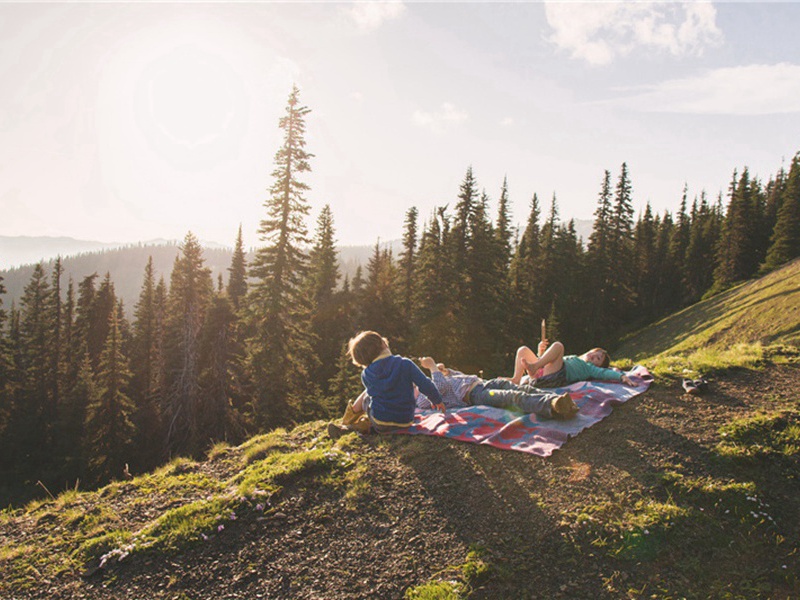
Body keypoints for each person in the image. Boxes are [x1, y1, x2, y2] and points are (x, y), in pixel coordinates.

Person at [328, 331, 445, 438]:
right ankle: (360, 426)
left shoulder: (366, 373)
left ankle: (350, 422)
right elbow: (425, 384)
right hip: (405, 420)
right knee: (372, 397)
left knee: (367, 397)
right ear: (383, 344)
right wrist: (437, 400)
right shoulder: (405, 363)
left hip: (381, 423)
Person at [416, 356, 579, 419]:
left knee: (522, 389)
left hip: (482, 383)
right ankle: (552, 406)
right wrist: (432, 367)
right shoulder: (420, 399)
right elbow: (440, 389)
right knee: (512, 397)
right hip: (475, 395)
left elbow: (459, 377)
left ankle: (558, 400)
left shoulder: (429, 380)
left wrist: (446, 371)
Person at [509, 339, 637, 388]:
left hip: (555, 378)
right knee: (523, 350)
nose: (593, 356)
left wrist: (622, 377)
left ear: (597, 365)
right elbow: (548, 365)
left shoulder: (589, 368)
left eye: (598, 359)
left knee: (558, 346)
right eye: (595, 352)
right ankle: (516, 379)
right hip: (543, 374)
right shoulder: (576, 358)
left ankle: (534, 367)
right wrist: (540, 352)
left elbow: (605, 372)